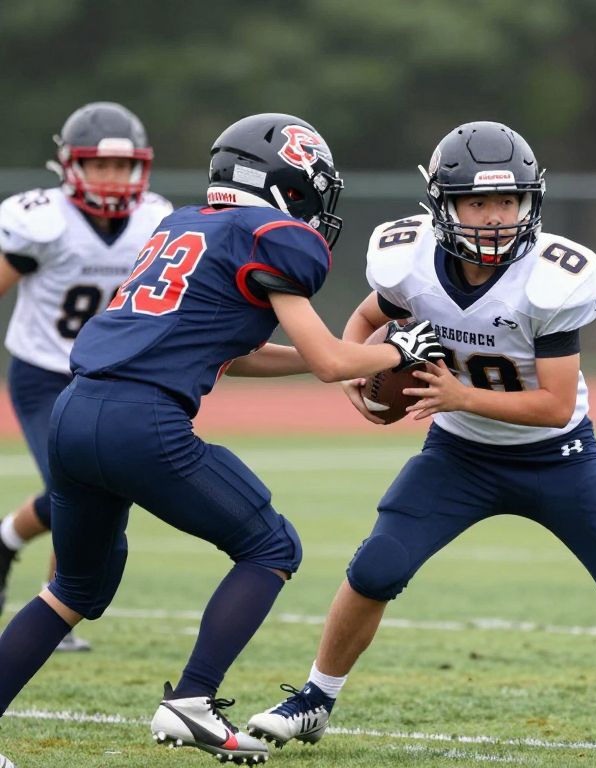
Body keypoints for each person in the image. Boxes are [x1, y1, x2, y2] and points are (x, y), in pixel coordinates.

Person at [246, 121, 596, 753]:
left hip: (559, 456)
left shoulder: (552, 279)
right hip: (458, 454)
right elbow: (370, 314)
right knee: (377, 566)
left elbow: (554, 405)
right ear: (443, 205)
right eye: (477, 202)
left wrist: (459, 396)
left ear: (530, 202)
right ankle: (316, 698)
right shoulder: (410, 262)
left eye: (508, 201)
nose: (494, 217)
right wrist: (359, 372)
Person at [0, 112, 443, 765]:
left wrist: (334, 358)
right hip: (140, 421)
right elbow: (330, 359)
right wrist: (396, 349)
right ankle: (192, 700)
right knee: (271, 544)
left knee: (72, 590)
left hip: (74, 411)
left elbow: (233, 353)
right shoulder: (272, 236)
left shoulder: (182, 223)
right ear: (288, 185)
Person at [0, 102, 172, 653]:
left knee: (98, 487)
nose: (112, 178)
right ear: (70, 165)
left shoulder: (155, 221)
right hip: (43, 371)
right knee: (73, 487)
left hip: (108, 376)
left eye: (122, 167)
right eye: (100, 165)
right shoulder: (41, 221)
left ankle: (7, 541)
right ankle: (58, 604)